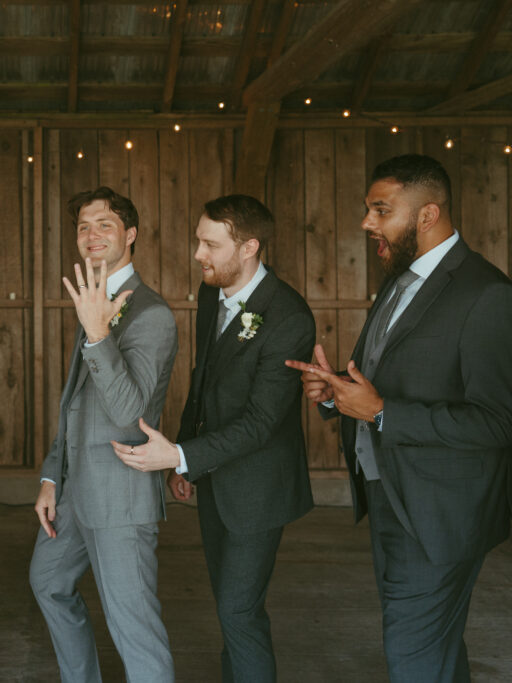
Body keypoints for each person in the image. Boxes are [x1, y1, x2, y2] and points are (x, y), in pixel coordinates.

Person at [286, 154, 512, 682]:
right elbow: (383, 382)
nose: (367, 224)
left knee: (412, 654)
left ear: (427, 214)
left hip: (441, 515)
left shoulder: (488, 295)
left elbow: (498, 422)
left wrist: (384, 414)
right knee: (433, 648)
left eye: (380, 211)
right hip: (388, 496)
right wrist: (333, 395)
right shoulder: (396, 281)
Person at [112, 195, 314, 682]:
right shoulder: (211, 293)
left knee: (239, 612)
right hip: (214, 479)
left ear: (249, 247)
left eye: (210, 244)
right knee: (231, 610)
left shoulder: (289, 318)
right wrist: (188, 458)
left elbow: (263, 421)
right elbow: (204, 377)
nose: (198, 254)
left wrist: (180, 454)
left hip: (260, 489)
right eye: (198, 240)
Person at [29, 187, 178, 682]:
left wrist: (98, 334)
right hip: (74, 490)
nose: (91, 235)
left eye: (105, 225)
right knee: (48, 581)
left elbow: (127, 408)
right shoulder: (95, 296)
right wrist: (52, 477)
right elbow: (74, 402)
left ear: (130, 235)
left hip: (119, 494)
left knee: (134, 626)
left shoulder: (151, 313)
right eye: (83, 227)